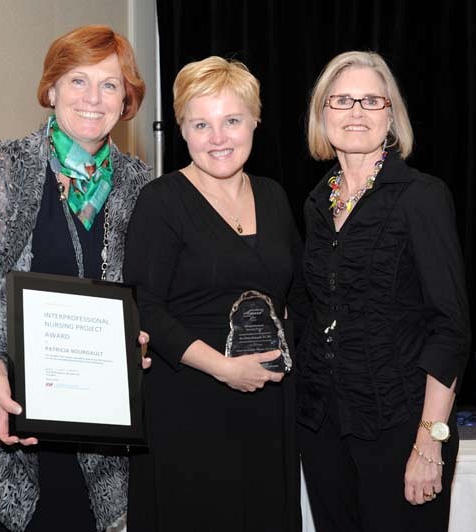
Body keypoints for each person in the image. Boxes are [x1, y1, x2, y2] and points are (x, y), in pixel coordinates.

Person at [0, 25, 153, 532]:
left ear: (126, 101)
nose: (93, 98)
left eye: (111, 84)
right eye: (78, 81)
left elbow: (149, 295)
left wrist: (140, 339)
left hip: (96, 439)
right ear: (50, 91)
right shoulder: (4, 169)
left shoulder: (143, 186)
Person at [124, 56, 306, 532]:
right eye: (201, 124)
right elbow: (145, 305)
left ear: (255, 121)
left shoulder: (273, 196)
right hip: (191, 405)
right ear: (183, 130)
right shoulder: (161, 201)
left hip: (269, 410)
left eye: (231, 120)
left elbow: (295, 295)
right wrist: (224, 368)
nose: (218, 137)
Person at [296, 51, 470, 531]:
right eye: (343, 100)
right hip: (323, 429)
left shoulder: (421, 197)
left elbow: (450, 330)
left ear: (391, 116)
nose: (356, 112)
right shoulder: (315, 203)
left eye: (371, 101)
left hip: (402, 431)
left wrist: (429, 441)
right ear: (322, 114)